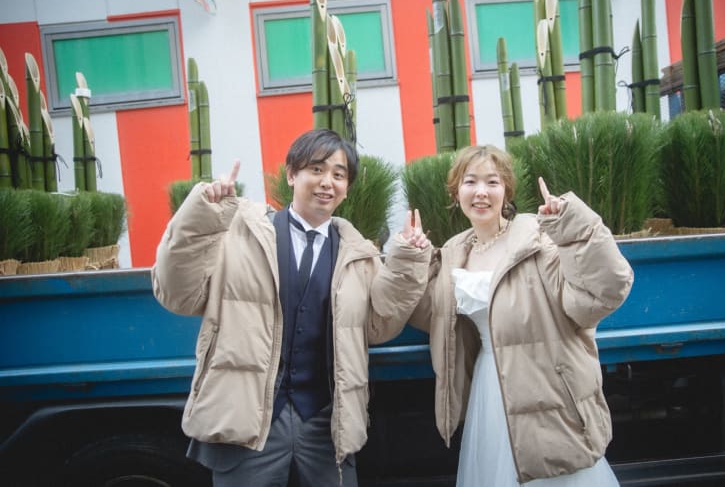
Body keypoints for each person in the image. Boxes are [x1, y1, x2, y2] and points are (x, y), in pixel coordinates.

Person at [152, 129, 431, 486]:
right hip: (250, 422)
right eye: (316, 169)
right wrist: (201, 216)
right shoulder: (241, 235)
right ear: (291, 175)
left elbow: (379, 327)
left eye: (339, 174)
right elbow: (177, 294)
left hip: (326, 426)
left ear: (347, 188)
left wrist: (407, 259)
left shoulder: (359, 255)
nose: (327, 182)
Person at [408, 145, 633, 486]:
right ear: (456, 193)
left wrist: (571, 225)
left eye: (492, 182)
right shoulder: (454, 252)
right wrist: (412, 257)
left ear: (506, 192)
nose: (481, 192)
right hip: (489, 387)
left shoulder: (537, 241)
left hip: (543, 385)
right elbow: (431, 315)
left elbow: (603, 292)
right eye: (470, 182)